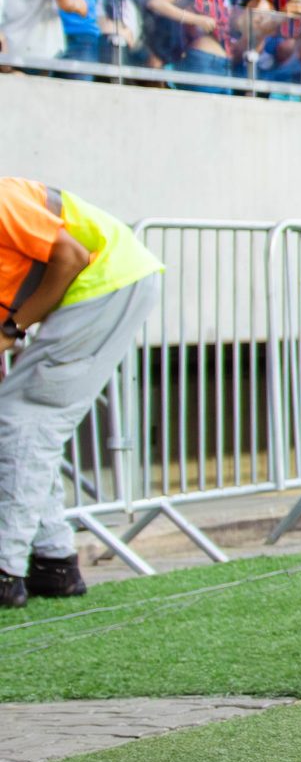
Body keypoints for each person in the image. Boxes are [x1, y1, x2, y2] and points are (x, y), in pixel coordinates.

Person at [0, 178, 163, 608]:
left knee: (23, 419)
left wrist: (12, 329)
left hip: (105, 284)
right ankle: (54, 563)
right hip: (107, 286)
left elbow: (69, 255)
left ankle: (6, 569)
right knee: (27, 423)